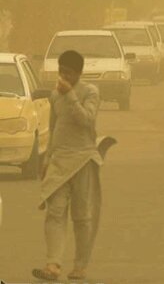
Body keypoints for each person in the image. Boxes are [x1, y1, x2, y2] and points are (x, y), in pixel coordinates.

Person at [33, 50, 116, 283]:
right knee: (55, 213)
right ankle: (53, 265)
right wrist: (47, 159)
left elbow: (86, 120)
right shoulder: (54, 96)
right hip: (59, 161)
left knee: (82, 216)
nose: (64, 76)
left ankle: (80, 265)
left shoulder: (90, 92)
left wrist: (70, 95)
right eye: (61, 72)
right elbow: (54, 129)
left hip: (83, 161)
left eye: (68, 73)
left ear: (79, 73)